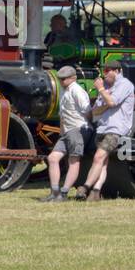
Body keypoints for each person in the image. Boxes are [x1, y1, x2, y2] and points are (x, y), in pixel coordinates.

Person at [79, 61, 134, 202]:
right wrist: (104, 99)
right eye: (103, 71)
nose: (104, 74)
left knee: (98, 157)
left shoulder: (125, 84)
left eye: (107, 71)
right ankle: (96, 191)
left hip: (116, 128)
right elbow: (95, 111)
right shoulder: (106, 87)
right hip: (103, 126)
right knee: (103, 162)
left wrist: (101, 90)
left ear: (117, 71)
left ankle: (85, 187)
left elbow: (112, 102)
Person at [41, 65, 91, 202]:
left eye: (64, 79)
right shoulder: (64, 91)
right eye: (60, 79)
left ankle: (63, 193)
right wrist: (61, 132)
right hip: (67, 131)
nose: (61, 82)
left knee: (73, 160)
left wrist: (85, 128)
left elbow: (87, 111)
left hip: (77, 129)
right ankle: (55, 192)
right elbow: (63, 114)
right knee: (52, 158)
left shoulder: (77, 90)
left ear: (73, 78)